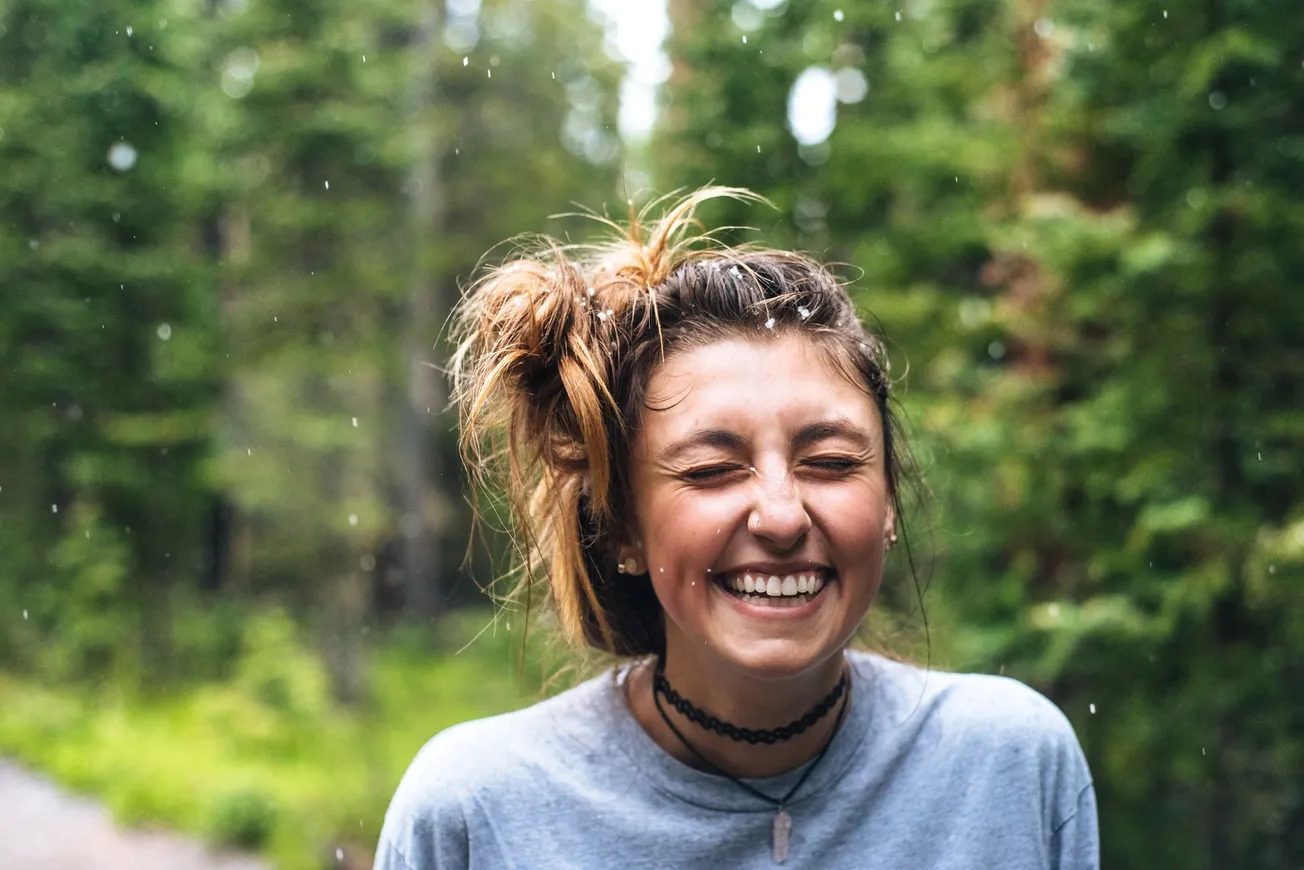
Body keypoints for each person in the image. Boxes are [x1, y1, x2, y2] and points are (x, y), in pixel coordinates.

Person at [375, 188, 1098, 869]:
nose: (781, 516)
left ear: (887, 508)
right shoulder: (478, 812)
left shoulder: (1010, 767)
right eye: (711, 471)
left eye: (832, 462)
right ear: (624, 526)